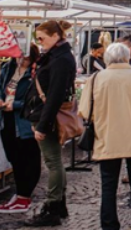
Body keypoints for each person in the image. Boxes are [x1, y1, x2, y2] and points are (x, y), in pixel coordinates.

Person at [79, 43, 131, 230]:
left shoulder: (96, 78)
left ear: (107, 58)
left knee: (108, 185)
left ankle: (109, 225)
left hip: (107, 137)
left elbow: (84, 110)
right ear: (127, 58)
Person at [23, 20, 77, 226]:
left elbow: (55, 95)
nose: (39, 42)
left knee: (53, 162)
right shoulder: (57, 56)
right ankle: (59, 206)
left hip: (47, 117)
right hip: (44, 114)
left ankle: (52, 207)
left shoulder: (61, 59)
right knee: (55, 161)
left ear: (55, 36)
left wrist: (42, 125)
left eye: (42, 38)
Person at [0, 46, 41, 214]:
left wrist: (16, 105)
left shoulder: (35, 73)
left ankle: (24, 195)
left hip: (24, 121)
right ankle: (20, 194)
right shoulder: (8, 68)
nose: (20, 60)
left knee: (28, 159)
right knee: (14, 158)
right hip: (6, 120)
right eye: (18, 57)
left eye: (25, 58)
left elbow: (37, 100)